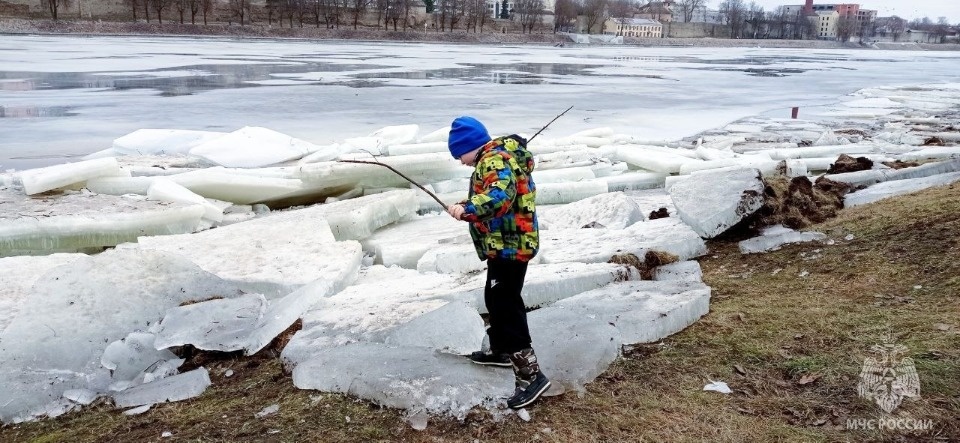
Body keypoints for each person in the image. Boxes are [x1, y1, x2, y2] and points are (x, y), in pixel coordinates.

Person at [444, 116, 551, 410]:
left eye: (460, 154)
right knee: (495, 295)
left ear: (471, 146)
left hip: (510, 246)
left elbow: (499, 197)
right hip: (505, 244)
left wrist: (467, 208)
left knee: (505, 304)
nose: (460, 162)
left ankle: (531, 376)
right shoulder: (496, 157)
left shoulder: (492, 160)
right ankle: (500, 350)